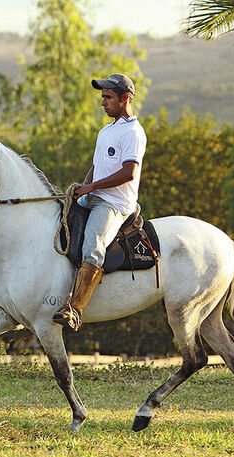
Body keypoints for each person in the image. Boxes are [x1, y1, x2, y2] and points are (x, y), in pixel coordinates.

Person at [53, 73, 147, 331]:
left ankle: (74, 310)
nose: (103, 102)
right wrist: (82, 189)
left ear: (124, 98)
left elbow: (129, 172)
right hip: (94, 196)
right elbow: (97, 167)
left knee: (93, 247)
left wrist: (92, 188)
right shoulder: (106, 131)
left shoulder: (133, 132)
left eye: (108, 97)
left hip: (115, 203)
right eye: (102, 97)